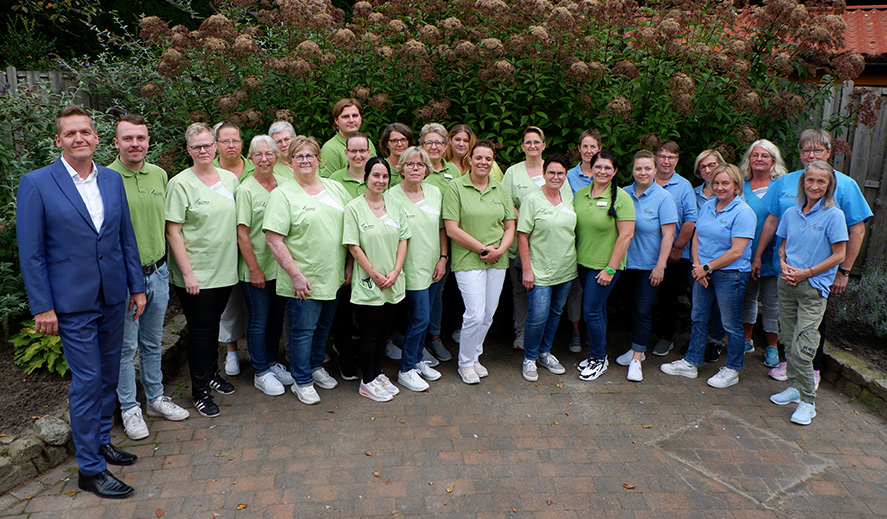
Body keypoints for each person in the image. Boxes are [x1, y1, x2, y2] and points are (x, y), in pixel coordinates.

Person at [17, 105, 145, 499]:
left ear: (95, 137)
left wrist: (136, 286)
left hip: (112, 295)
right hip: (70, 301)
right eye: (70, 133)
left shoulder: (110, 179)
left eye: (85, 132)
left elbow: (124, 238)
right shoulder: (37, 183)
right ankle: (90, 469)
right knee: (88, 381)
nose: (79, 138)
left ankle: (100, 442)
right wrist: (42, 307)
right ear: (59, 140)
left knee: (108, 375)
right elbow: (31, 252)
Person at [754, 129, 872, 386]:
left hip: (820, 272)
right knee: (787, 319)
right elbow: (773, 220)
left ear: (829, 153)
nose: (811, 155)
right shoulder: (786, 183)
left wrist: (844, 271)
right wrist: (759, 256)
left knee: (812, 323)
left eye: (817, 150)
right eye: (806, 150)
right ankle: (788, 362)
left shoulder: (845, 184)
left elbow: (857, 229)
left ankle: (812, 369)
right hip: (785, 269)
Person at [109, 113, 189, 442]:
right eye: (128, 138)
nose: (135, 144)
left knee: (152, 342)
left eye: (140, 138)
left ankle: (155, 399)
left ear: (148, 141)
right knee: (126, 349)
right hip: (126, 280)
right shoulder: (105, 179)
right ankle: (130, 407)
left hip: (157, 272)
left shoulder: (159, 175)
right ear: (115, 143)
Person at [265, 136, 351, 405]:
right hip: (303, 277)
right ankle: (301, 379)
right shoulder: (282, 194)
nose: (305, 160)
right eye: (299, 156)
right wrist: (295, 275)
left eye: (310, 155)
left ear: (319, 159)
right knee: (303, 330)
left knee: (324, 326)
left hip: (332, 274)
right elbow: (274, 239)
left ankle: (315, 366)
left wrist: (349, 265)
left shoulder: (335, 188)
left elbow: (353, 227)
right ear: (289, 162)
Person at [166, 123, 239, 417]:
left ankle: (211, 374)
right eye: (196, 146)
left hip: (225, 270)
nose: (203, 150)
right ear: (188, 150)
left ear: (216, 145)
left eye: (208, 145)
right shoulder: (180, 184)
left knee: (213, 327)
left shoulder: (230, 179)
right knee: (200, 331)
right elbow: (173, 232)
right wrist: (187, 275)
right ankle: (199, 391)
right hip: (196, 274)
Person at [661, 164, 756, 388]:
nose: (720, 187)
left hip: (730, 274)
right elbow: (697, 237)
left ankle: (732, 369)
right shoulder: (709, 205)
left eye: (725, 183)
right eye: (716, 183)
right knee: (698, 317)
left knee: (730, 323)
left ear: (736, 185)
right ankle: (691, 363)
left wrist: (707, 268)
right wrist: (697, 265)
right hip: (703, 271)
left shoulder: (743, 212)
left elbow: (736, 251)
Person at [769, 161, 847, 425]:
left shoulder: (834, 215)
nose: (814, 186)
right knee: (788, 339)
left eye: (820, 182)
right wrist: (782, 263)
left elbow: (839, 254)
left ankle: (807, 401)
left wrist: (808, 272)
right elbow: (782, 246)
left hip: (813, 287)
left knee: (804, 345)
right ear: (803, 182)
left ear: (829, 186)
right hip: (787, 283)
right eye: (810, 180)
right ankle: (793, 387)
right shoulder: (791, 212)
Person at [443, 141, 516, 384]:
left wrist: (501, 250)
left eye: (489, 158)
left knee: (488, 314)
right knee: (474, 313)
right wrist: (483, 249)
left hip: (498, 259)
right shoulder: (456, 187)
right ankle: (464, 363)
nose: (483, 162)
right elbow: (452, 229)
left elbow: (509, 225)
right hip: (468, 259)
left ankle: (475, 357)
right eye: (479, 158)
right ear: (470, 160)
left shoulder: (500, 189)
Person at [344, 157, 411, 401]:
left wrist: (395, 271)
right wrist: (374, 273)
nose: (380, 181)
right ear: (366, 177)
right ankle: (367, 380)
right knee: (370, 333)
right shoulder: (354, 207)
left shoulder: (395, 204)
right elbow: (353, 246)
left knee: (385, 332)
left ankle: (378, 372)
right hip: (369, 281)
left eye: (385, 176)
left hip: (393, 280)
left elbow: (404, 239)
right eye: (376, 175)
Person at [503, 126, 573, 351]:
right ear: (522, 146)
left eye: (537, 142)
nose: (532, 146)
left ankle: (542, 344)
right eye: (528, 142)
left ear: (544, 145)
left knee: (547, 303)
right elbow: (506, 205)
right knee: (521, 291)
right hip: (521, 242)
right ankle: (521, 333)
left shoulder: (555, 171)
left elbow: (567, 205)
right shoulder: (513, 172)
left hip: (552, 247)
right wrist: (526, 219)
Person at [235, 135, 293, 396]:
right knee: (259, 320)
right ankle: (260, 371)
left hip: (280, 267)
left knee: (275, 318)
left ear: (277, 156)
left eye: (269, 153)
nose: (264, 159)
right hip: (256, 267)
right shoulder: (246, 190)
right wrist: (254, 269)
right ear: (251, 158)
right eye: (258, 154)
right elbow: (242, 234)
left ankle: (271, 362)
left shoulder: (284, 184)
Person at [388, 146, 447, 390]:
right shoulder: (391, 195)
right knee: (419, 319)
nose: (415, 168)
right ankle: (406, 369)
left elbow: (442, 228)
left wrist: (443, 258)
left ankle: (418, 359)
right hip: (408, 269)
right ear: (401, 168)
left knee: (424, 317)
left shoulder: (434, 192)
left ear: (427, 169)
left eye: (420, 165)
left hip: (433, 266)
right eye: (410, 164)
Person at [614, 151, 677, 382]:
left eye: (647, 169)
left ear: (655, 170)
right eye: (638, 168)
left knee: (642, 311)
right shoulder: (623, 194)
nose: (643, 173)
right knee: (630, 309)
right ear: (632, 170)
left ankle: (637, 360)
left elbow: (668, 235)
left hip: (649, 266)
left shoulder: (663, 198)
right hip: (625, 264)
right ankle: (634, 348)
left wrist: (660, 266)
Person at [573, 150, 635, 381]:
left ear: (615, 171)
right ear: (591, 169)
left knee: (590, 310)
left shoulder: (621, 198)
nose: (602, 171)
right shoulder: (580, 194)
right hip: (583, 262)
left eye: (608, 168)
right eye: (598, 167)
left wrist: (610, 269)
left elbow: (626, 236)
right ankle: (597, 356)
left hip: (605, 267)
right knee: (596, 309)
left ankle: (599, 359)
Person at [516, 155, 576, 381]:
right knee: (538, 315)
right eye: (551, 172)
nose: (555, 177)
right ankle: (529, 358)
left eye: (560, 173)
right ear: (543, 174)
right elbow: (523, 237)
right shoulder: (532, 199)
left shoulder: (569, 197)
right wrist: (527, 269)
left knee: (555, 313)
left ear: (565, 176)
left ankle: (545, 352)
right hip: (539, 269)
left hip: (566, 268)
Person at [738, 140, 787, 367]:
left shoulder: (781, 187)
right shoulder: (740, 185)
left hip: (772, 256)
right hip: (743, 254)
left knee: (771, 303)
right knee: (747, 299)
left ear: (773, 161)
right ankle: (746, 341)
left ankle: (772, 347)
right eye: (755, 155)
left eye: (764, 156)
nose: (759, 159)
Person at [213, 121, 253, 377]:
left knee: (256, 303)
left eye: (235, 140)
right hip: (224, 247)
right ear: (215, 145)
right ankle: (231, 351)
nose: (231, 145)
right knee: (228, 303)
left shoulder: (255, 167)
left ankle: (258, 351)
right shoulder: (208, 171)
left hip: (254, 247)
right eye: (225, 141)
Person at [651, 142, 698, 356]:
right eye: (662, 156)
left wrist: (676, 249)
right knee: (642, 295)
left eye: (671, 157)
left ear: (677, 160)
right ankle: (641, 336)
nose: (666, 161)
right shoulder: (646, 179)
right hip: (645, 251)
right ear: (655, 158)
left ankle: (666, 336)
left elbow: (690, 222)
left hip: (673, 254)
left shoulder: (684, 186)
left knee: (668, 296)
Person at [420, 123, 463, 356]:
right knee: (419, 293)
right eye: (429, 142)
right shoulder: (416, 169)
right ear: (421, 145)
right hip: (420, 243)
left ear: (446, 146)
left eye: (439, 142)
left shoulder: (453, 172)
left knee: (438, 292)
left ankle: (434, 336)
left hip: (446, 242)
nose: (434, 147)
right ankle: (418, 341)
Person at [564, 129, 602, 353]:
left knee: (595, 292)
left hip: (597, 245)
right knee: (575, 292)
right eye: (585, 146)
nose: (589, 151)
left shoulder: (605, 173)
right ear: (578, 149)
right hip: (574, 242)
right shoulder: (568, 176)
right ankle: (576, 332)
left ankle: (592, 331)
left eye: (593, 147)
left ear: (599, 149)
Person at [690, 149, 728, 362]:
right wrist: (698, 266)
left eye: (711, 165)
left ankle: (715, 342)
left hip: (722, 262)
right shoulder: (694, 193)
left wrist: (709, 266)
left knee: (719, 307)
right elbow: (694, 231)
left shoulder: (733, 197)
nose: (707, 170)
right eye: (702, 166)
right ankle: (697, 343)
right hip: (696, 259)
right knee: (699, 306)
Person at [319, 98, 377, 178]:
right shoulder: (330, 149)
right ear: (336, 120)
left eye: (355, 115)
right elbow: (328, 184)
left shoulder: (368, 142)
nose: (351, 120)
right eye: (346, 117)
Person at [329, 132, 372, 198]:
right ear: (346, 153)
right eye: (353, 151)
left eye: (362, 151)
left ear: (369, 152)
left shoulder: (378, 178)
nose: (358, 156)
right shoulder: (335, 180)